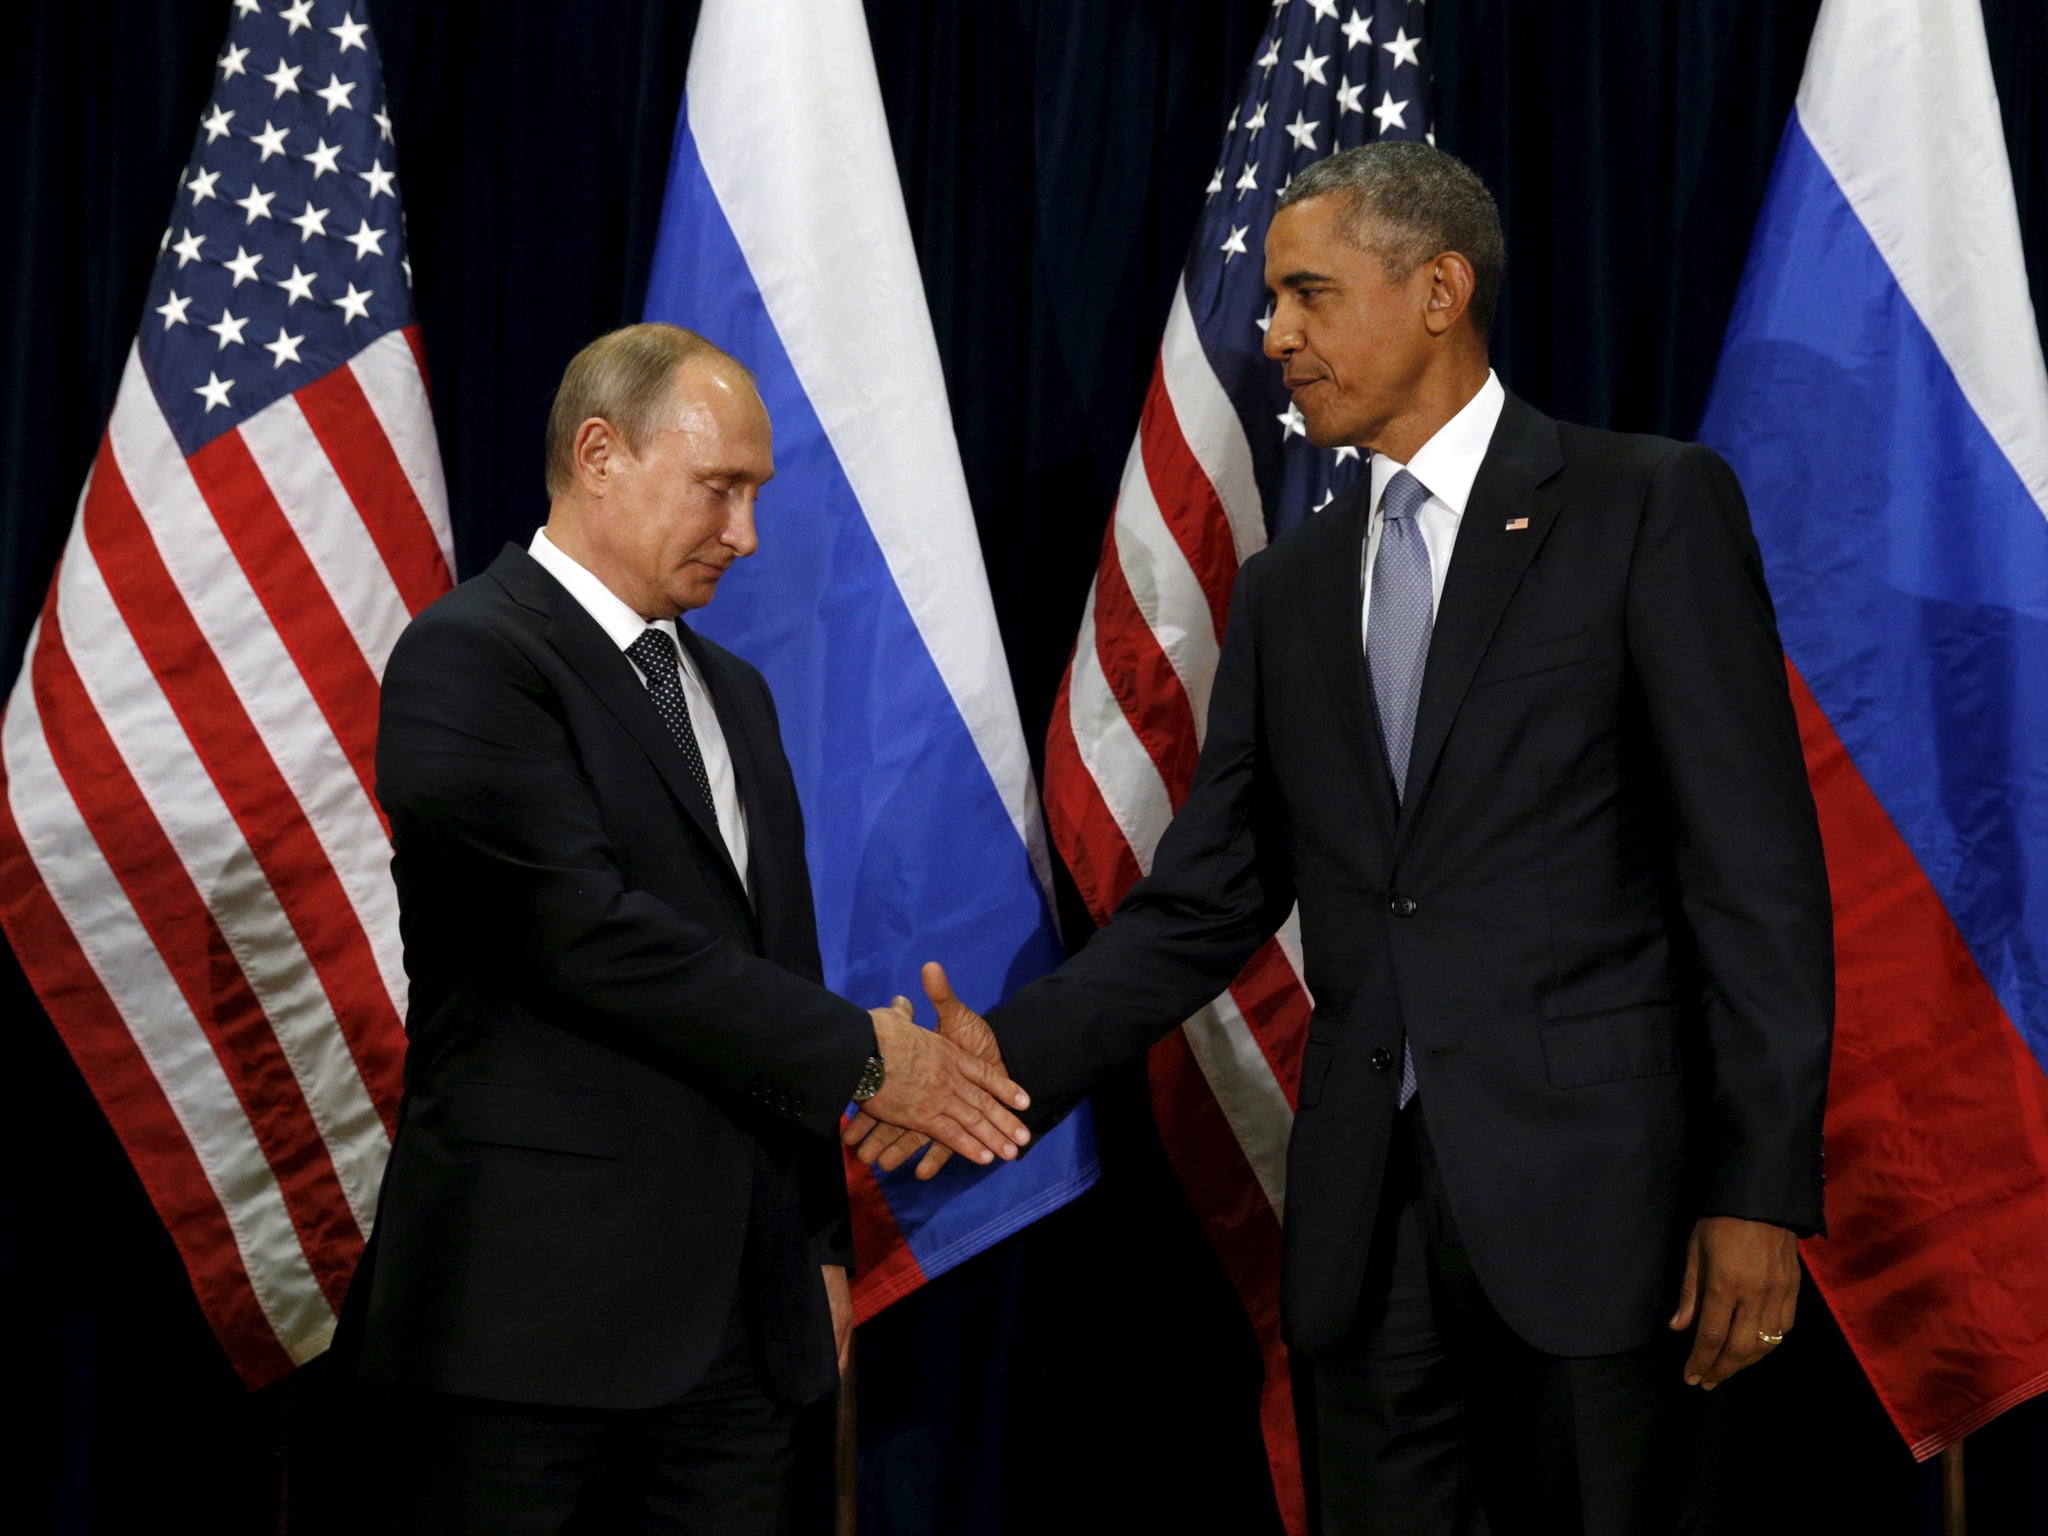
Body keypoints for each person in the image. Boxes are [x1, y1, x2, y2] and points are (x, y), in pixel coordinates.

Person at [854, 143, 1833, 1533]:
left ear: (1440, 290)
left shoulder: (1643, 509)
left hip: (1604, 1220)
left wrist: (1759, 1193)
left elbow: (1756, 883)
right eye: (1271, 303)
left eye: (1308, 295)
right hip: (1365, 1235)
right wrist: (1002, 1056)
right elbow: (1203, 902)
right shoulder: (1294, 588)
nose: (1275, 337)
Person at [336, 323, 1031, 1534]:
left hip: (739, 1338)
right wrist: (878, 1056)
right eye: (720, 488)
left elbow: (777, 971)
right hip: (528, 1333)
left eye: (756, 494)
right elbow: (585, 935)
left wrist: (818, 1242)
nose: (745, 534)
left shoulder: (737, 697)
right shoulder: (470, 658)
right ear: (598, 453)